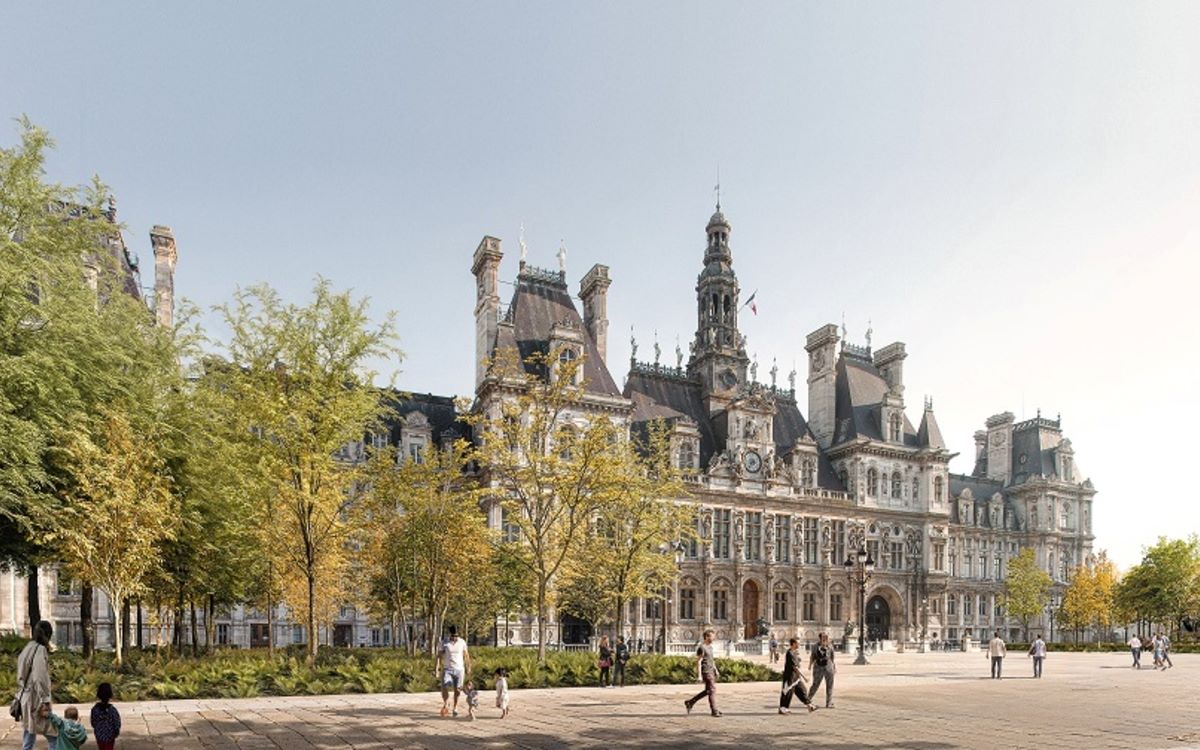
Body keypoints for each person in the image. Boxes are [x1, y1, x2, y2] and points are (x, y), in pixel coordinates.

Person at [16, 620, 54, 750]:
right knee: (53, 733)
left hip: (25, 698)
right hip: (36, 699)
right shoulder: (40, 649)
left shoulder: (27, 648)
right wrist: (45, 699)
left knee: (29, 733)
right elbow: (40, 676)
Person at [683, 629, 721, 717]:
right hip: (706, 671)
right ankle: (714, 710)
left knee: (708, 691)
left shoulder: (710, 647)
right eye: (712, 636)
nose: (714, 638)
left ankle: (690, 702)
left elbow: (711, 660)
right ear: (707, 637)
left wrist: (716, 670)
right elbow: (699, 661)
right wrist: (699, 675)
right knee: (712, 690)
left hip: (711, 670)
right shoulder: (701, 648)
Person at [436, 625, 471, 718]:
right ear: (450, 634)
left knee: (458, 690)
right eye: (453, 635)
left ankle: (455, 707)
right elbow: (439, 657)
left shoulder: (462, 642)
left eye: (456, 635)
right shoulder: (443, 643)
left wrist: (468, 667)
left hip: (460, 669)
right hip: (447, 669)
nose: (455, 637)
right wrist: (437, 668)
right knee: (445, 686)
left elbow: (466, 655)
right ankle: (446, 703)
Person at [778, 638, 816, 715]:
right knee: (787, 692)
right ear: (794, 644)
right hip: (790, 677)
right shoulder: (790, 653)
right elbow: (794, 667)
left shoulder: (794, 653)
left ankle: (809, 705)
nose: (799, 644)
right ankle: (783, 708)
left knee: (802, 690)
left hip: (796, 677)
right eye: (797, 643)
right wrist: (804, 677)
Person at [807, 632, 836, 708]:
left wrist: (834, 667)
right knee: (815, 684)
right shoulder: (815, 646)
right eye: (823, 637)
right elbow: (812, 656)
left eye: (826, 637)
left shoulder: (830, 646)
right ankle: (808, 699)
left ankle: (829, 703)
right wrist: (810, 665)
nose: (825, 638)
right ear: (820, 638)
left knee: (830, 685)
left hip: (828, 667)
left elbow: (832, 657)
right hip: (818, 667)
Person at [90, 682, 122, 750]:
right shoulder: (112, 710)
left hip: (99, 735)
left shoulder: (95, 709)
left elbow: (93, 723)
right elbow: (117, 723)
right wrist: (116, 732)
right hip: (110, 736)